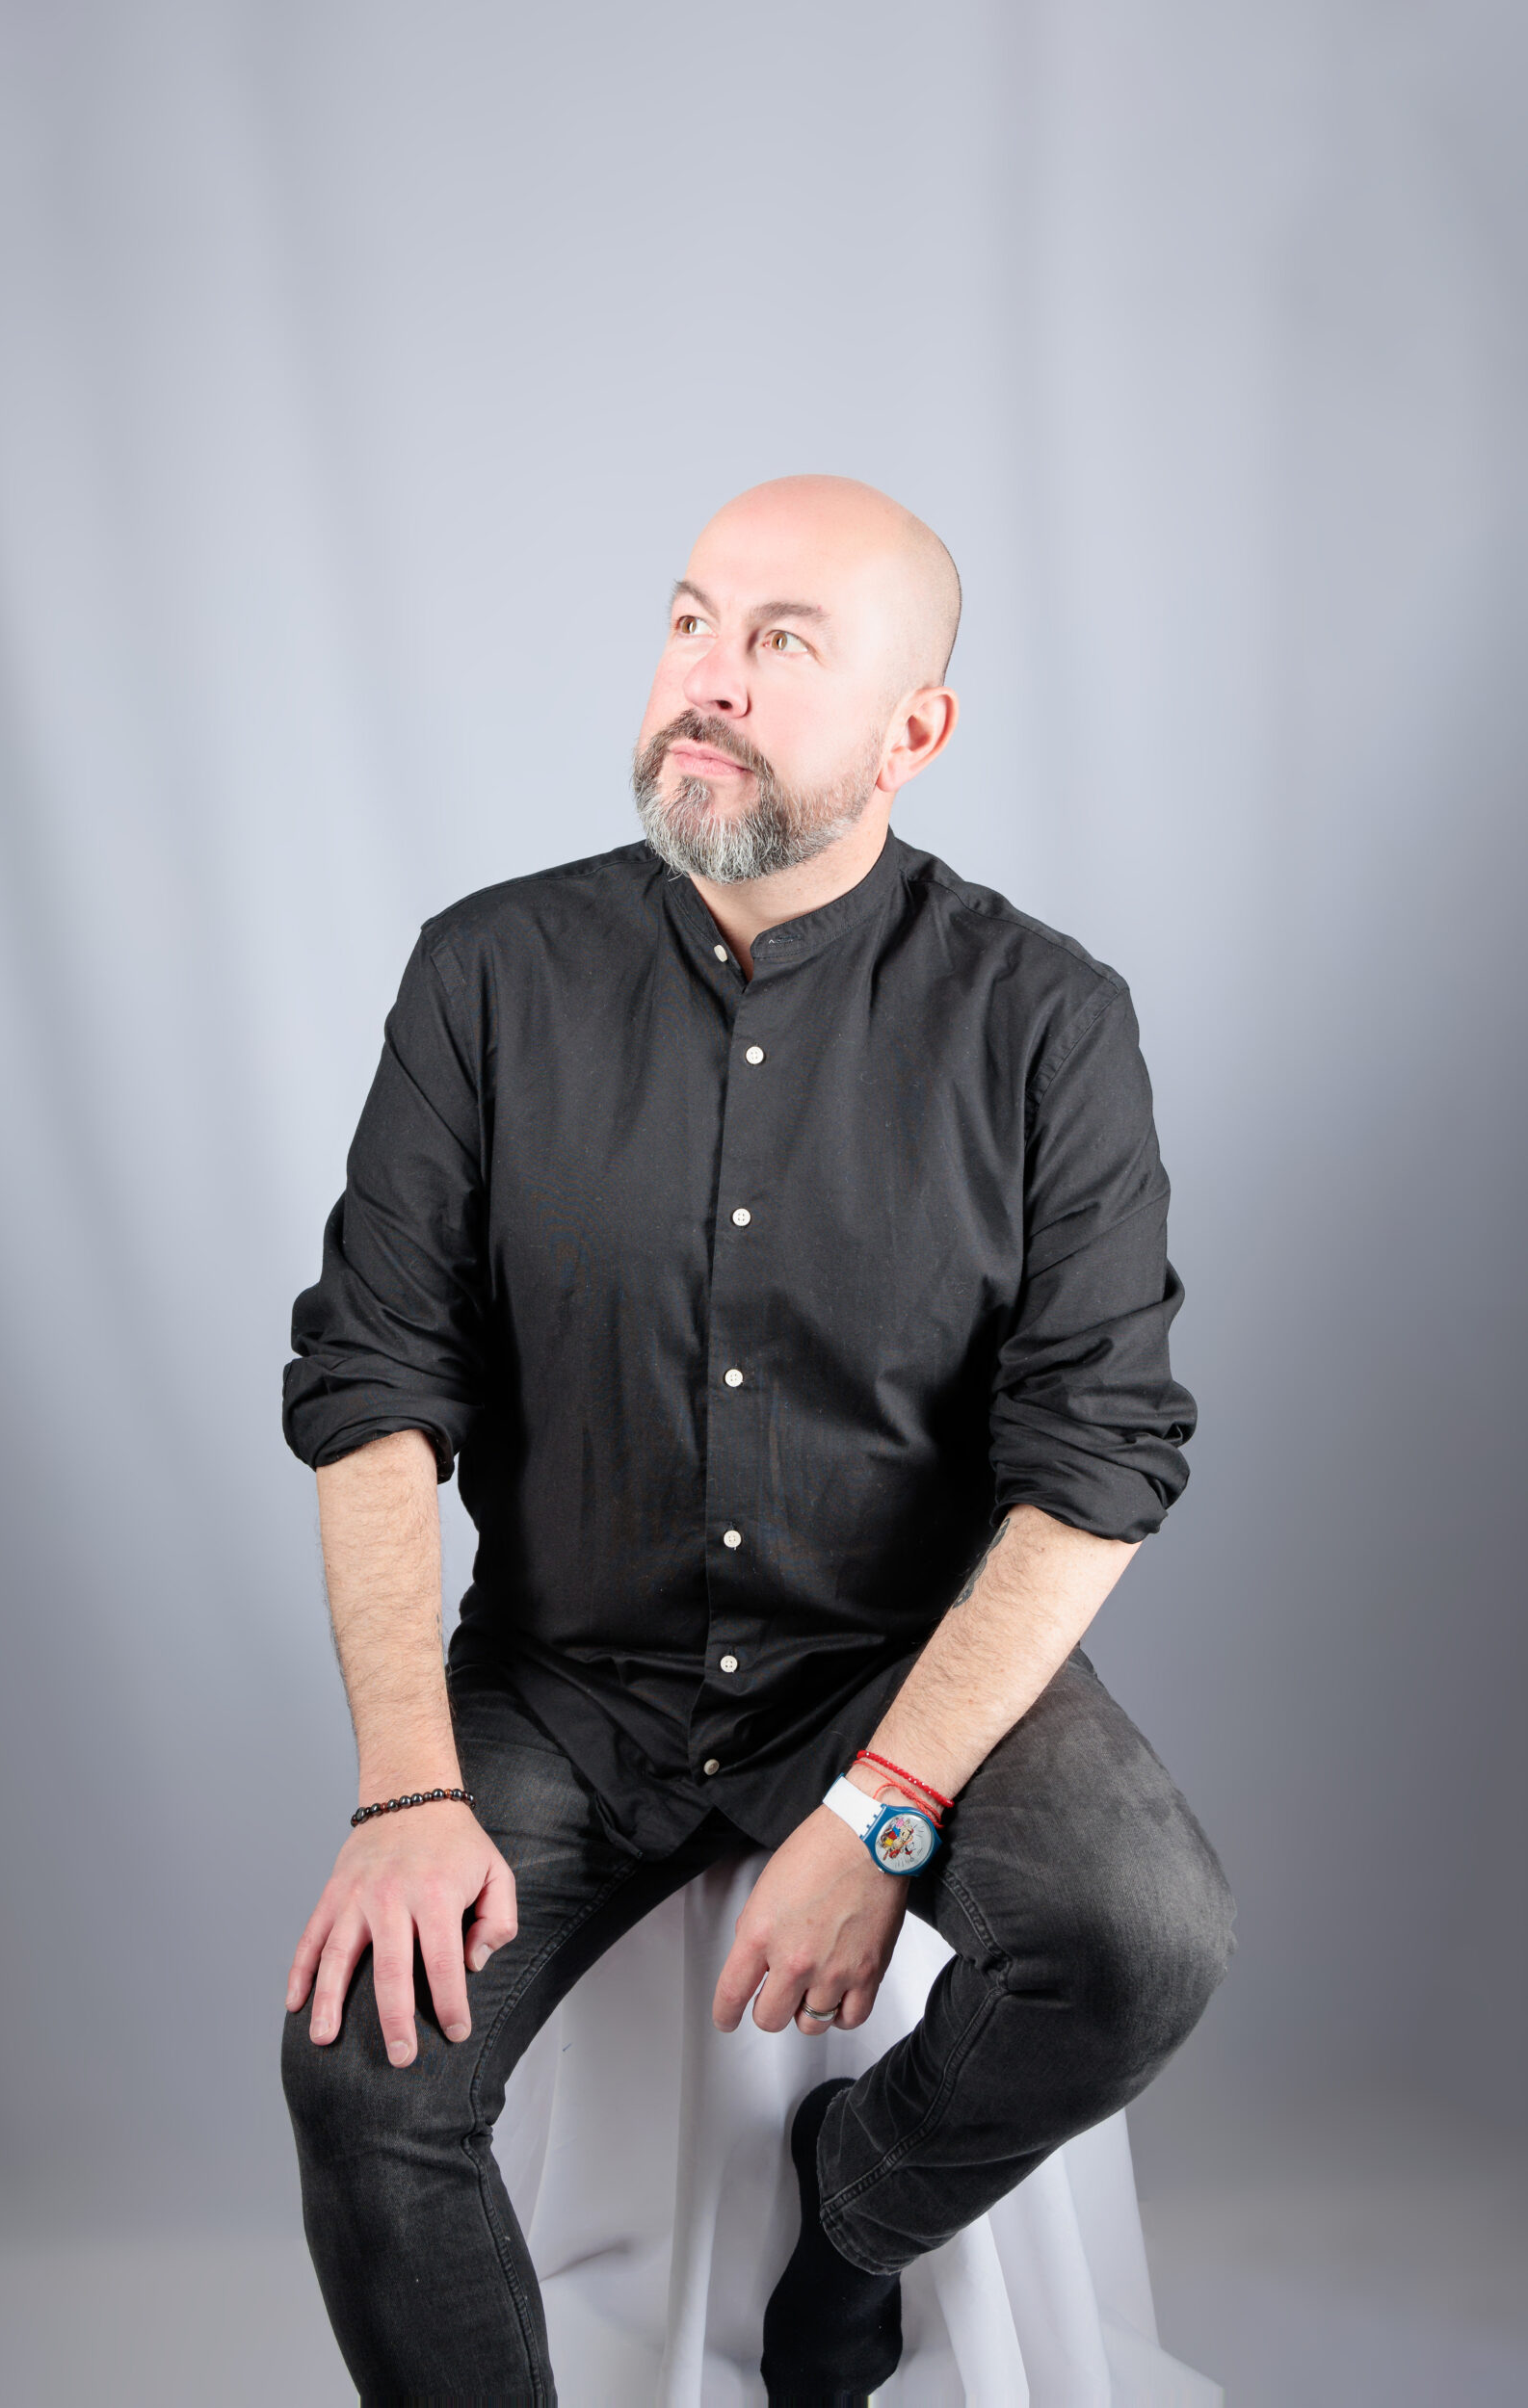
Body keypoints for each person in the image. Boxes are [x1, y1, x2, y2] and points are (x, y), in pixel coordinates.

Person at [279, 474, 1234, 2405]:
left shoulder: (1049, 1020)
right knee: (361, 2076)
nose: (708, 679)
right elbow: (375, 1387)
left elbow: (1096, 1459)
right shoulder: (486, 974)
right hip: (568, 1676)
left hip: (894, 1655)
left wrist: (883, 1804)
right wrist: (403, 1788)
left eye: (784, 644)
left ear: (914, 730)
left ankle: (858, 2204)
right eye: (692, 622)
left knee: (1142, 1940)